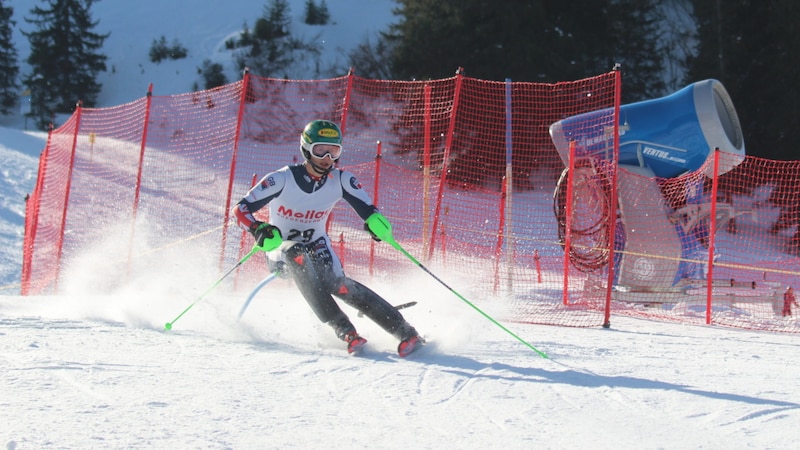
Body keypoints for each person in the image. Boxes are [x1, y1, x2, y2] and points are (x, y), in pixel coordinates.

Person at [233, 119, 423, 356]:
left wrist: (376, 224)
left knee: (340, 285)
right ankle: (344, 329)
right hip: (280, 248)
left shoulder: (341, 180)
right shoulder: (282, 178)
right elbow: (241, 209)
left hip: (317, 245)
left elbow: (369, 210)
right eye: (321, 150)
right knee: (295, 253)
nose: (327, 158)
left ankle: (407, 332)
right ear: (306, 149)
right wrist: (257, 227)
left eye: (334, 152)